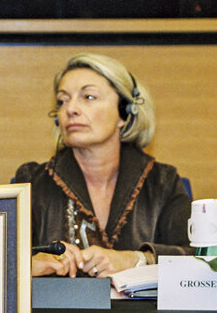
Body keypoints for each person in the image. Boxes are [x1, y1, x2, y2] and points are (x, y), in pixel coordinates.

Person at [15, 53, 192, 278]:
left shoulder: (162, 182)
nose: (71, 109)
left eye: (88, 97)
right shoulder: (33, 181)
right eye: (62, 100)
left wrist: (137, 258)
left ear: (125, 113)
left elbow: (199, 259)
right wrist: (29, 262)